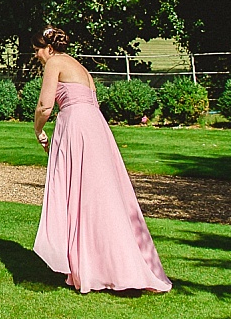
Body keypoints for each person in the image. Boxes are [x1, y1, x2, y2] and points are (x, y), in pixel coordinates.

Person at [31, 26, 172, 293]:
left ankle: (92, 266)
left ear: (49, 48)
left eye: (37, 49)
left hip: (76, 126)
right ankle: (109, 264)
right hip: (95, 127)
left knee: (82, 195)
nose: (37, 55)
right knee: (102, 195)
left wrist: (38, 130)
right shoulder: (79, 67)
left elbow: (45, 106)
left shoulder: (55, 62)